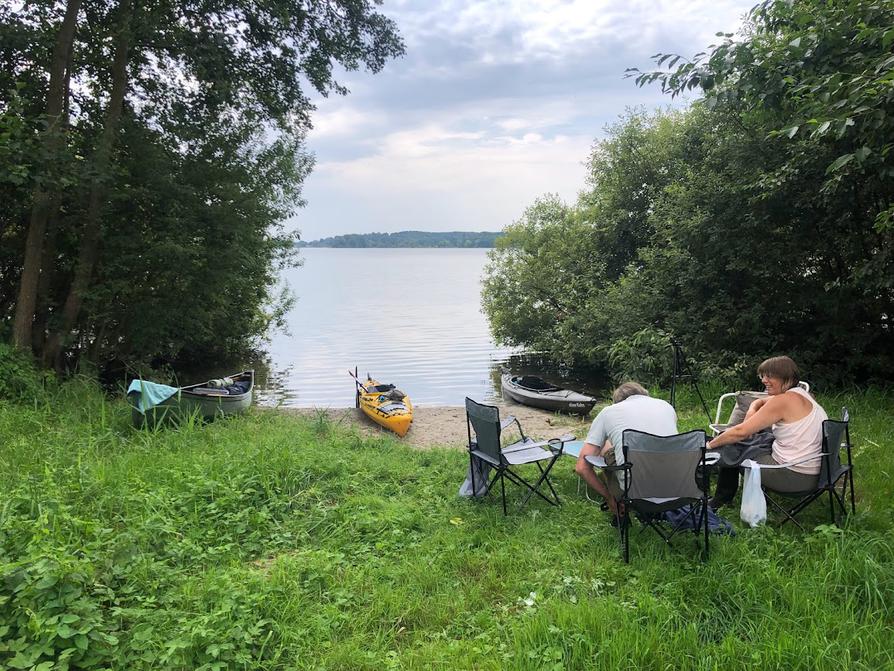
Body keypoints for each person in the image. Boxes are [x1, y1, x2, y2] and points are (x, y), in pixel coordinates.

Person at [707, 355, 828, 508]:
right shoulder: (804, 395)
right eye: (762, 376)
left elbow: (740, 431)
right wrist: (752, 409)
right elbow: (761, 400)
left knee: (732, 445)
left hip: (793, 477)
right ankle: (729, 496)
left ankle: (721, 500)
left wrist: (710, 445)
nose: (764, 380)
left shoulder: (783, 401)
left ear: (787, 377)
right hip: (815, 473)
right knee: (754, 439)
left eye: (770, 376)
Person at [575, 381, 678, 519]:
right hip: (678, 486)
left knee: (606, 445)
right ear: (645, 394)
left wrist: (608, 496)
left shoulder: (609, 412)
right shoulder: (666, 406)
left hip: (634, 493)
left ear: (618, 402)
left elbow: (582, 467)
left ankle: (617, 497)